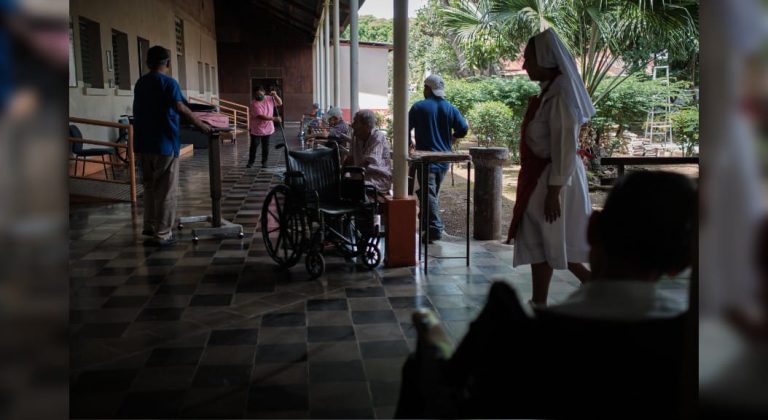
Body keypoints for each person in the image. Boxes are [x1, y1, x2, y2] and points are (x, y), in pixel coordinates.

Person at [396, 170, 697, 418]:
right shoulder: (695, 344)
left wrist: (432, 343)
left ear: (592, 230)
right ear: (682, 262)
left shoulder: (523, 337)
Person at [507, 28, 595, 305]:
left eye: (528, 59)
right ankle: (540, 301)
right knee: (542, 239)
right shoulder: (549, 93)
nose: (524, 65)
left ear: (545, 59)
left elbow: (564, 147)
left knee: (553, 239)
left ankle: (594, 288)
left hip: (555, 180)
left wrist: (554, 191)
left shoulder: (559, 97)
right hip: (543, 178)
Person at [133, 46, 211, 247]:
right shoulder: (168, 83)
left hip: (142, 144)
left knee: (149, 187)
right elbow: (180, 107)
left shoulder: (141, 83)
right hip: (164, 144)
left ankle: (149, 226)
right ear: (167, 63)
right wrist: (201, 125)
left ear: (148, 63)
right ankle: (163, 233)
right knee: (165, 190)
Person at [408, 74, 468, 242]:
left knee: (429, 194)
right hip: (444, 160)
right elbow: (463, 129)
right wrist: (453, 136)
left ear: (427, 88)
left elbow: (405, 127)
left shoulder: (418, 107)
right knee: (430, 194)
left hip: (426, 160)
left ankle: (434, 228)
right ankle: (427, 226)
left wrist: (408, 143)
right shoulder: (450, 108)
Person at [344, 109, 392, 193]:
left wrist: (352, 177)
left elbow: (366, 163)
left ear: (366, 125)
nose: (352, 125)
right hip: (360, 176)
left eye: (355, 122)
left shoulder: (377, 137)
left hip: (377, 179)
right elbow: (349, 159)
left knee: (348, 189)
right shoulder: (355, 137)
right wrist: (339, 174)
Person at [248, 85, 282, 168]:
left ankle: (264, 162)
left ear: (264, 92)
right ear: (254, 94)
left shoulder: (269, 98)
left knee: (265, 146)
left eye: (260, 94)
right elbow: (261, 116)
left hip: (267, 128)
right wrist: (274, 118)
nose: (259, 96)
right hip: (256, 128)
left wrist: (275, 95)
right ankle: (251, 162)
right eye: (257, 95)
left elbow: (280, 103)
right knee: (254, 145)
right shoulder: (254, 104)